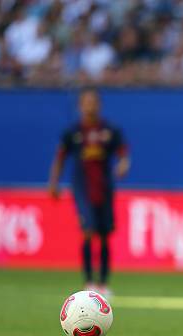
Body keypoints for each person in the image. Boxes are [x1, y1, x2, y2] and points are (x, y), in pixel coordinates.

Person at [48, 88, 130, 297]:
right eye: (86, 102)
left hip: (105, 186)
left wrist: (122, 164)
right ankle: (88, 281)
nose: (90, 105)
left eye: (93, 102)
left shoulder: (109, 130)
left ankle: (103, 283)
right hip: (82, 187)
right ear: (80, 106)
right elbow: (60, 158)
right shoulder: (73, 132)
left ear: (99, 105)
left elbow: (123, 153)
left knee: (104, 235)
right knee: (87, 231)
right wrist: (54, 183)